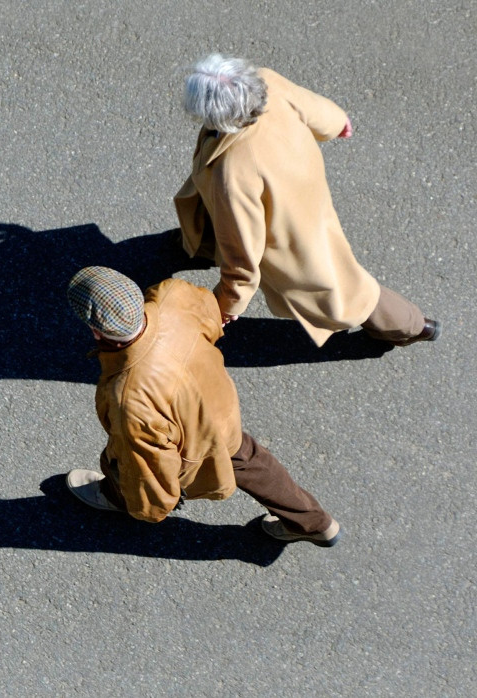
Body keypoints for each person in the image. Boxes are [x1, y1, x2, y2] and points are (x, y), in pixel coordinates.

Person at [61, 266, 341, 546]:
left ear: (96, 332)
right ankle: (314, 523)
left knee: (122, 463)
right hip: (218, 404)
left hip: (188, 445)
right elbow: (210, 316)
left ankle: (113, 496)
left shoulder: (129, 398)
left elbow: (148, 469)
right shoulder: (172, 295)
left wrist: (148, 505)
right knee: (248, 459)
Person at [173, 53, 437, 347]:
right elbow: (314, 108)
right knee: (332, 272)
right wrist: (337, 123)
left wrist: (228, 303)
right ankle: (201, 246)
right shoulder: (267, 82)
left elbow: (242, 254)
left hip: (284, 223)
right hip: (302, 185)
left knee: (340, 289)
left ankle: (409, 325)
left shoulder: (233, 172)